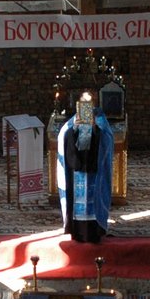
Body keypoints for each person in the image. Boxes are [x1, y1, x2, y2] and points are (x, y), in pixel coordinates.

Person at [56, 92, 114, 243]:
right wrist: (75, 129)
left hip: (94, 170)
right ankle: (77, 231)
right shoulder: (72, 121)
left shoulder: (101, 121)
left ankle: (95, 231)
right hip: (78, 172)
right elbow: (63, 136)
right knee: (77, 203)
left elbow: (107, 139)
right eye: (84, 102)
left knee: (93, 201)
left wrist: (95, 129)